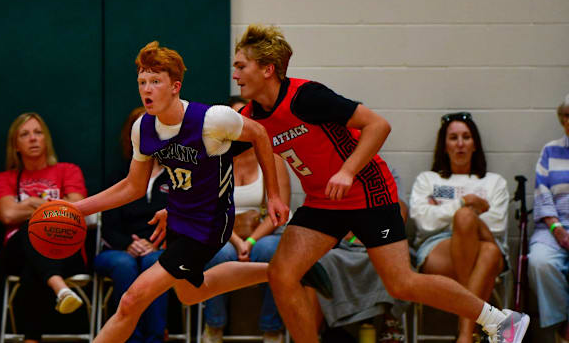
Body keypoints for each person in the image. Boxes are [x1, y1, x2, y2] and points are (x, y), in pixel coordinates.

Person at [231, 23, 529, 343]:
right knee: (282, 274)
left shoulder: (307, 97)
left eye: (241, 66)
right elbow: (214, 152)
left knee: (402, 283)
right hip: (324, 201)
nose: (235, 75)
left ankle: (500, 321)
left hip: (369, 194)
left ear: (267, 69)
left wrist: (347, 171)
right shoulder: (252, 117)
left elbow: (378, 125)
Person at [74, 40, 289, 343]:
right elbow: (132, 187)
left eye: (155, 82)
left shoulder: (212, 119)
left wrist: (275, 196)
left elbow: (260, 134)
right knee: (189, 293)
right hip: (180, 217)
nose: (147, 89)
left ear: (175, 86)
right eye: (142, 82)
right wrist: (77, 209)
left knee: (131, 300)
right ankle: (279, 271)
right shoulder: (143, 128)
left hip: (211, 222)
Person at [410, 112, 509, 343]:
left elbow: (496, 225)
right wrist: (466, 203)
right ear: (444, 146)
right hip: (438, 248)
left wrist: (452, 214)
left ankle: (464, 334)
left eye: (466, 137)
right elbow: (424, 222)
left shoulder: (494, 182)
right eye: (453, 138)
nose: (461, 143)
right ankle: (469, 331)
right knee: (485, 247)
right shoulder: (428, 179)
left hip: (486, 240)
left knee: (468, 222)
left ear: (475, 144)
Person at [0, 112, 91, 343]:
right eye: (25, 134)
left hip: (67, 248)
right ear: (15, 145)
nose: (33, 138)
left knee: (33, 264)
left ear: (46, 139)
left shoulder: (68, 170)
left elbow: (77, 209)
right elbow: (7, 214)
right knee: (35, 227)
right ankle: (60, 287)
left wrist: (27, 204)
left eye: (38, 133)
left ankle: (31, 339)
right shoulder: (5, 178)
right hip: (16, 251)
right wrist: (52, 208)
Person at [201, 96, 292, 343]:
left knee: (269, 251)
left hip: (266, 231)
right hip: (225, 232)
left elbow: (279, 212)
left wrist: (250, 241)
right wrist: (237, 242)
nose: (240, 123)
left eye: (245, 117)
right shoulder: (214, 160)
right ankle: (214, 327)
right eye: (234, 119)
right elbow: (211, 211)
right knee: (219, 255)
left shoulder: (273, 158)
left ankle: (272, 329)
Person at [94, 106, 170, 343]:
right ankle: (130, 338)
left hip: (160, 248)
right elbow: (108, 224)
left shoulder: (176, 175)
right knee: (124, 264)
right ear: (131, 135)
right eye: (140, 128)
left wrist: (156, 244)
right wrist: (128, 244)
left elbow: (182, 219)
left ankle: (155, 337)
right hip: (118, 249)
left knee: (155, 263)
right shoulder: (118, 175)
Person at [308, 166, 409, 343]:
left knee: (389, 260)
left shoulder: (386, 172)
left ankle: (390, 323)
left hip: (377, 241)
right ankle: (320, 333)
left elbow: (398, 215)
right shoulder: (326, 172)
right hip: (339, 245)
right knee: (321, 263)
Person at [528, 93, 569, 343]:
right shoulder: (550, 151)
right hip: (553, 227)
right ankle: (563, 324)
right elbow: (542, 192)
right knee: (539, 262)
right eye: (567, 116)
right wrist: (557, 229)